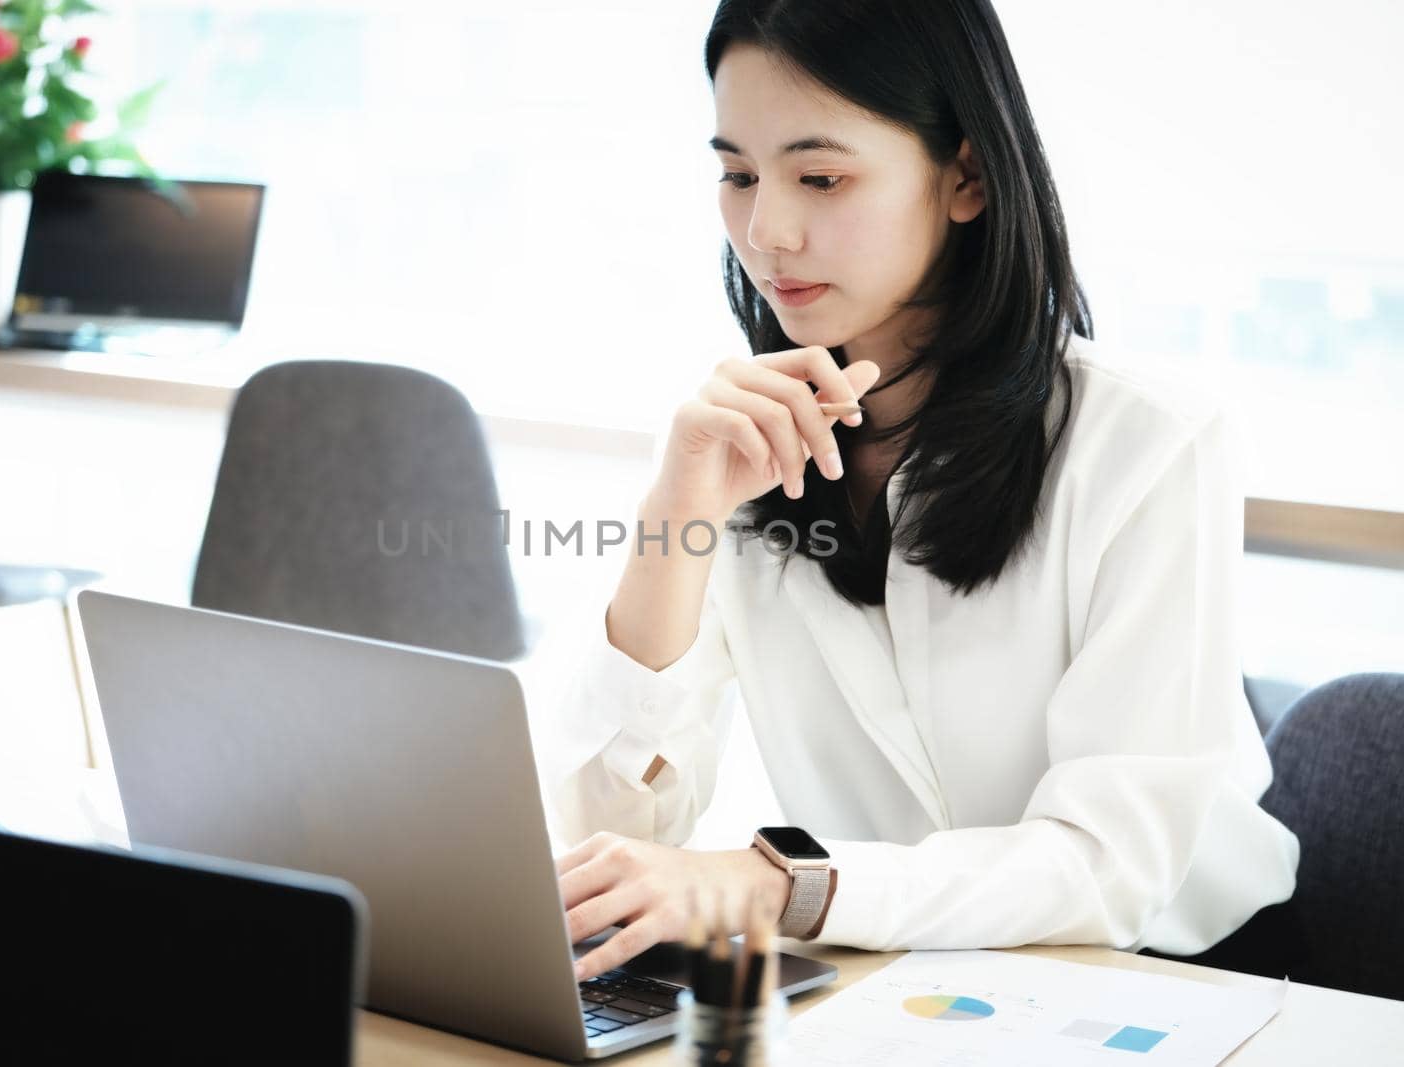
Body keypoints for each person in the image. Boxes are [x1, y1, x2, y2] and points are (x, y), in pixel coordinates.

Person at [547, 0, 1299, 983]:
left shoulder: (1144, 441)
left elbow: (1110, 864)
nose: (765, 229)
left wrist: (786, 884)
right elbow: (606, 842)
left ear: (967, 178)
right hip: (895, 984)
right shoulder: (741, 442)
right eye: (736, 174)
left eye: (820, 176)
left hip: (1172, 984)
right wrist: (673, 518)